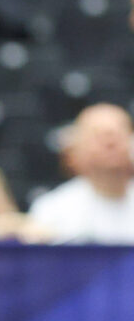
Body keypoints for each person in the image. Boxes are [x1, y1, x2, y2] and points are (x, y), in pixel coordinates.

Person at [28, 103, 134, 243]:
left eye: (118, 134)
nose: (110, 143)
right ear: (75, 148)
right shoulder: (52, 210)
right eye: (98, 136)